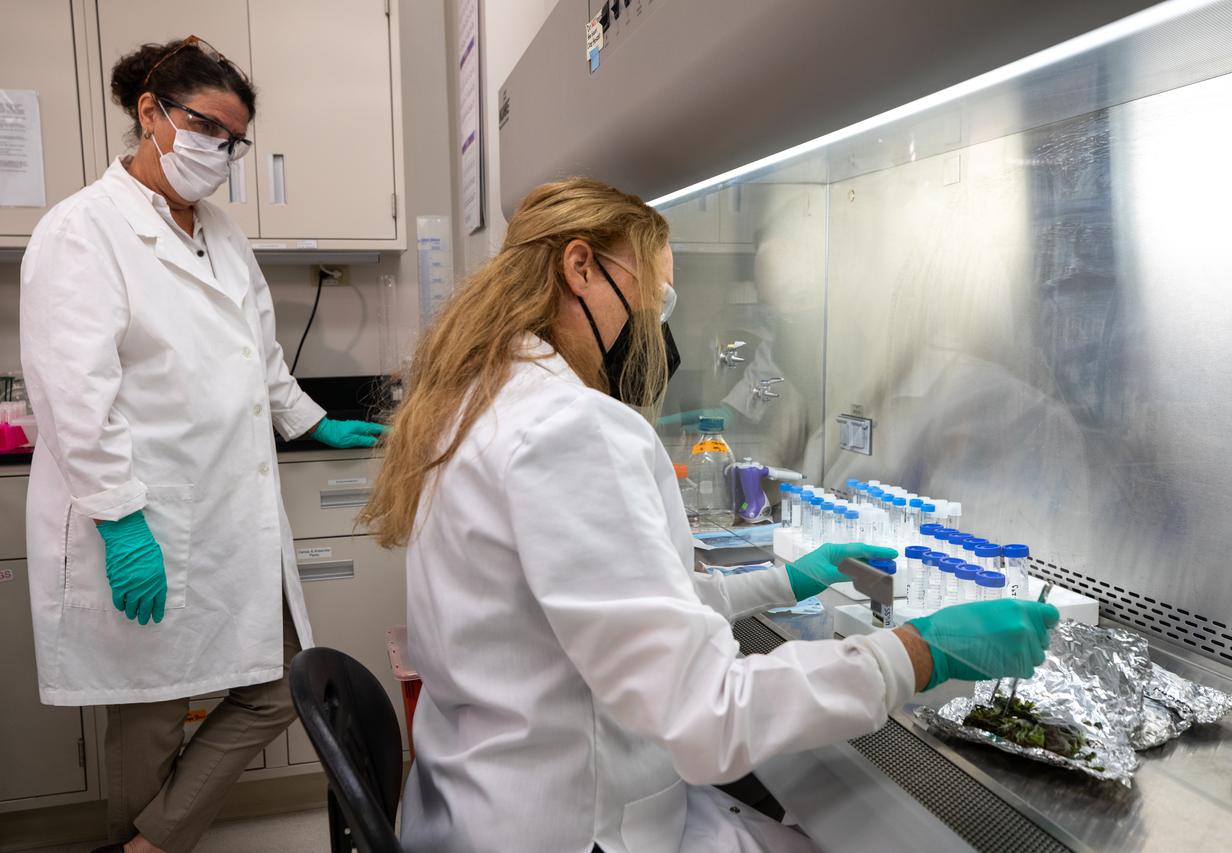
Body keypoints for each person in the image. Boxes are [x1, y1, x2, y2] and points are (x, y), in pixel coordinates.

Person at [363, 178, 1059, 852]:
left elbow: (625, 609)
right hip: (576, 827)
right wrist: (918, 654)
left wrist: (787, 583)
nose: (657, 329)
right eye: (656, 298)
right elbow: (708, 712)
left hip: (484, 805)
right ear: (581, 267)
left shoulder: (480, 402)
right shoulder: (569, 426)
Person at [19, 36, 383, 853]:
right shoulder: (80, 230)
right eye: (206, 127)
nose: (220, 151)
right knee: (147, 717)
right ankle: (140, 837)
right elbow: (74, 394)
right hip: (143, 514)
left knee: (279, 683)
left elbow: (256, 351)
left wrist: (309, 419)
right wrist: (119, 521)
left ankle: (145, 846)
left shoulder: (219, 230)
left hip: (223, 510)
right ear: (149, 112)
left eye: (233, 138)